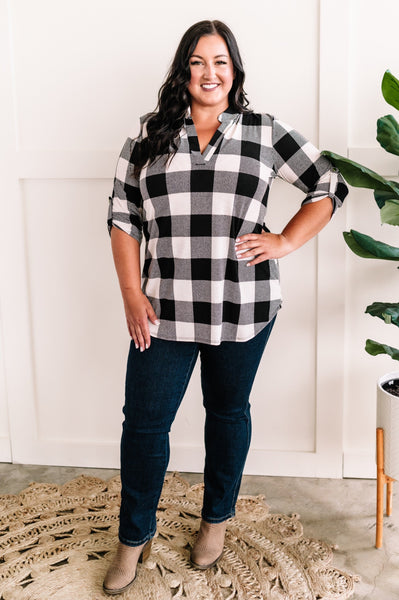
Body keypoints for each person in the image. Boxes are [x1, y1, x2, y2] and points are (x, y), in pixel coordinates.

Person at [103, 19, 348, 596]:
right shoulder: (148, 136)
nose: (208, 73)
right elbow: (122, 218)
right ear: (182, 71)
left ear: (234, 70)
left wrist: (285, 241)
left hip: (244, 304)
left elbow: (328, 183)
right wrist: (132, 293)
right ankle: (132, 538)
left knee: (228, 414)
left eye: (219, 62)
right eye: (196, 62)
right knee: (143, 425)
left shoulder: (262, 132)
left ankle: (216, 522)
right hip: (163, 310)